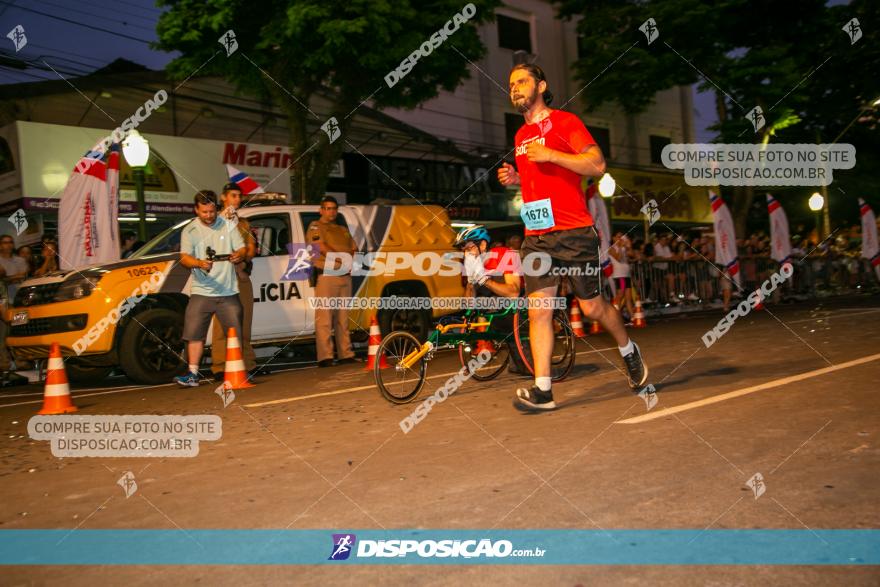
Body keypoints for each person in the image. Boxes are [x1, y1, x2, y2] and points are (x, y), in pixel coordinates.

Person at [497, 63, 648, 411]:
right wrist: (516, 179)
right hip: (537, 236)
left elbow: (596, 165)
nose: (515, 87)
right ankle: (543, 390)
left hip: (574, 232)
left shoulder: (566, 123)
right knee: (539, 312)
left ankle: (628, 349)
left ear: (541, 85)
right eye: (511, 83)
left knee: (593, 307)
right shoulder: (520, 137)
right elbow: (541, 180)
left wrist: (551, 153)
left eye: (522, 81)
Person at [173, 191, 246, 387]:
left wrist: (238, 255)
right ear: (196, 210)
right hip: (201, 290)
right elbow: (184, 257)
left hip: (228, 291)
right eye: (204, 212)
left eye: (212, 211)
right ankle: (192, 374)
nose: (209, 215)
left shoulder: (228, 225)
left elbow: (242, 248)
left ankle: (238, 371)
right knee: (194, 334)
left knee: (235, 332)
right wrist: (198, 263)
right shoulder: (190, 231)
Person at [456, 225, 530, 375]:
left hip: (520, 308)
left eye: (469, 248)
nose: (466, 253)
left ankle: (523, 357)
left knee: (528, 369)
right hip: (496, 314)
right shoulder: (471, 263)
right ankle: (514, 357)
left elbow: (514, 291)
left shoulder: (505, 255)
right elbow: (469, 304)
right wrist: (470, 283)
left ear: (482, 244)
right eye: (463, 250)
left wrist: (485, 280)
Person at [210, 182, 259, 380]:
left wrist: (244, 255)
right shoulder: (213, 222)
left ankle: (247, 363)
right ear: (223, 198)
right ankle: (220, 366)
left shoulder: (244, 223)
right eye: (233, 196)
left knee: (245, 320)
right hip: (222, 276)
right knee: (222, 324)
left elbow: (251, 248)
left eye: (239, 196)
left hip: (241, 275)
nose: (237, 199)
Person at [308, 196, 358, 368]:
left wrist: (349, 261)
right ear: (321, 210)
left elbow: (354, 248)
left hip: (344, 275)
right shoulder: (316, 226)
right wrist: (343, 259)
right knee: (324, 319)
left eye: (334, 208)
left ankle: (346, 353)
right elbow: (321, 247)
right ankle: (325, 356)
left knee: (343, 318)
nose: (331, 212)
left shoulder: (342, 229)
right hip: (327, 275)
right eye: (327, 208)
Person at [609, 231, 635, 321]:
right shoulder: (612, 248)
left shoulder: (624, 248)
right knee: (620, 294)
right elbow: (618, 258)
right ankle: (614, 316)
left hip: (626, 275)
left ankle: (633, 317)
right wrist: (620, 247)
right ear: (613, 238)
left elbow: (632, 255)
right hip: (620, 275)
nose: (620, 239)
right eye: (618, 237)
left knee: (628, 297)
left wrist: (628, 246)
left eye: (622, 237)